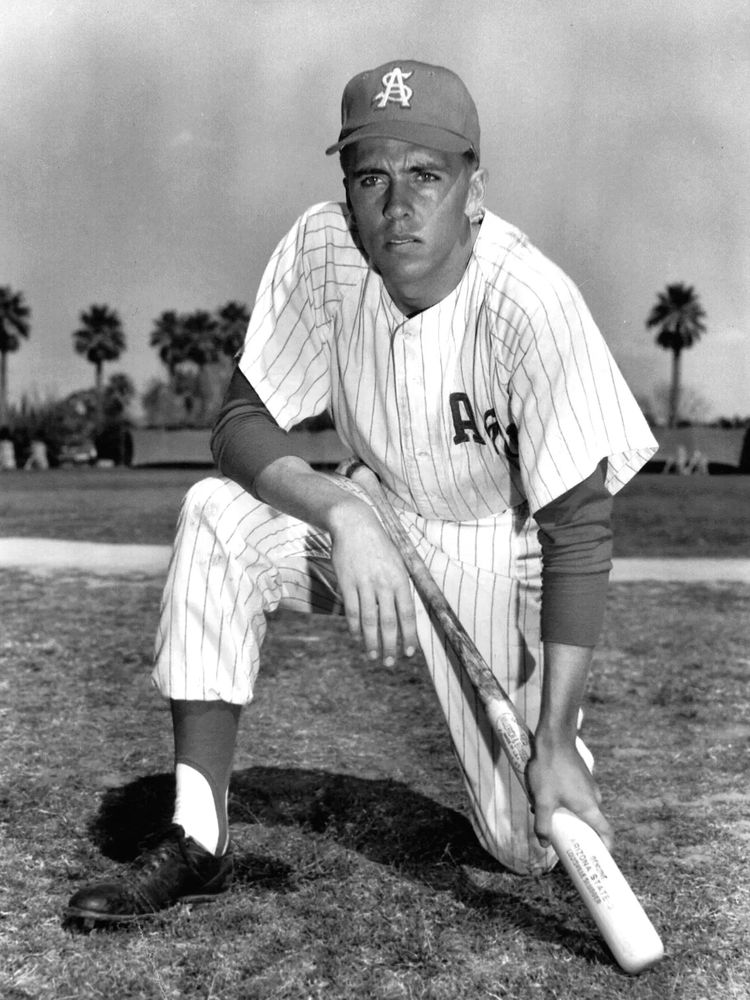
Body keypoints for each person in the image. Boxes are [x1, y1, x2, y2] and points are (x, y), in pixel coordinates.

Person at [66, 60, 657, 925]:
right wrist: (341, 510)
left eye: (427, 175)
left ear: (474, 190)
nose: (398, 204)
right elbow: (239, 423)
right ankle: (196, 838)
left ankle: (549, 751)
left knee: (522, 844)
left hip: (495, 542)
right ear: (348, 196)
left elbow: (578, 529)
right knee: (215, 516)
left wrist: (558, 736)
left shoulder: (529, 301)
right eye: (371, 176)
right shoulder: (324, 252)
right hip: (371, 517)